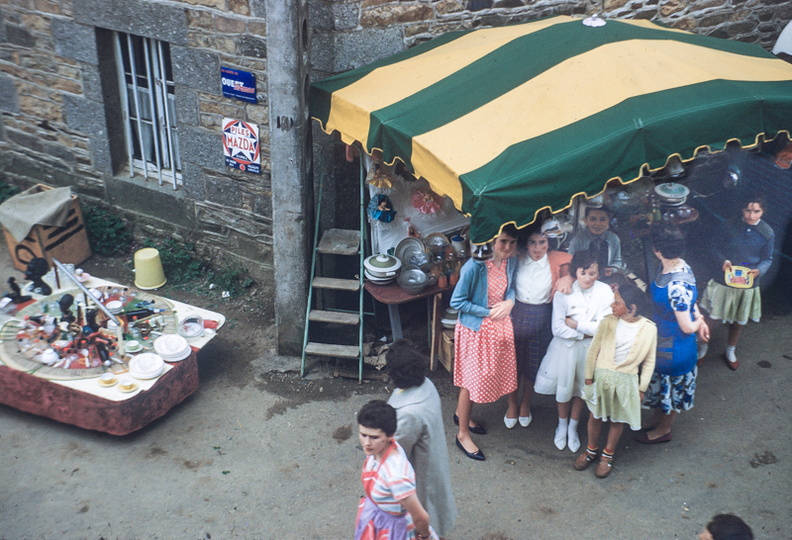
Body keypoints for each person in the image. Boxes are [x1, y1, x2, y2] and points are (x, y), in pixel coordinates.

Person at [449, 224, 519, 461]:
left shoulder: (511, 262)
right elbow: (457, 302)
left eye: (512, 242)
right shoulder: (474, 267)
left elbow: (511, 290)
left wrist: (510, 302)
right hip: (476, 329)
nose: (507, 247)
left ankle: (462, 414)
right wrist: (487, 312)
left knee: (484, 378)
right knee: (470, 382)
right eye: (503, 242)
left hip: (498, 328)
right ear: (491, 241)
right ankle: (462, 434)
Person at [534, 249, 614, 452]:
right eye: (583, 273)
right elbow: (558, 328)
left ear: (599, 273)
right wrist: (587, 331)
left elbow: (604, 327)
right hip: (566, 350)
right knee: (565, 387)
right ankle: (561, 425)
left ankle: (573, 426)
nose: (587, 278)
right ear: (575, 272)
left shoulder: (605, 291)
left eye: (593, 273)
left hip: (590, 351)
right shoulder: (564, 293)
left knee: (580, 388)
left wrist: (577, 326)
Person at [574, 284, 657, 478]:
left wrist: (642, 387)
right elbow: (593, 350)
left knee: (617, 419)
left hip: (626, 381)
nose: (612, 305)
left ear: (632, 307)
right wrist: (588, 377)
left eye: (617, 302)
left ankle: (607, 455)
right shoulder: (608, 322)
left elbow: (649, 360)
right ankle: (591, 449)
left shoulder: (649, 329)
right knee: (595, 415)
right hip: (602, 378)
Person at [636, 225, 709, 444]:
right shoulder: (680, 266)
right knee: (661, 382)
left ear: (657, 249)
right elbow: (691, 300)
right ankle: (658, 419)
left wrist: (699, 322)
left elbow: (687, 327)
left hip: (675, 344)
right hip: (662, 338)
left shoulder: (675, 285)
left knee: (671, 385)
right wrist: (699, 316)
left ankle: (664, 429)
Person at [386, 340, 457, 539]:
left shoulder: (408, 414)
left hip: (419, 484)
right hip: (434, 467)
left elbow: (393, 454)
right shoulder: (426, 385)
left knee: (424, 527)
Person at [699, 195, 774, 371]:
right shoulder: (728, 225)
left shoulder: (767, 232)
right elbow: (713, 246)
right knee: (712, 315)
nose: (751, 215)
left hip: (748, 282)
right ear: (742, 210)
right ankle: (702, 348)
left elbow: (767, 258)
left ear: (763, 212)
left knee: (739, 319)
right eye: (748, 210)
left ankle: (730, 350)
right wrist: (723, 260)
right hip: (723, 278)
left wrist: (760, 270)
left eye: (756, 211)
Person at [511, 223, 572, 428]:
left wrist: (568, 277)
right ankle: (511, 404)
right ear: (525, 245)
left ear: (549, 243)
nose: (538, 248)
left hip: (542, 315)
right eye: (532, 243)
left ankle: (525, 403)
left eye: (542, 242)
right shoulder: (516, 260)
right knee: (513, 363)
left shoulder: (554, 260)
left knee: (533, 364)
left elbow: (575, 265)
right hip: (516, 313)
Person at [355, 400, 438, 540]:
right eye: (363, 435)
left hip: (394, 531)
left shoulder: (396, 476)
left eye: (374, 437)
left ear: (390, 435)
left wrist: (425, 537)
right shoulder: (379, 450)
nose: (367, 443)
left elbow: (421, 517)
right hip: (377, 518)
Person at [568, 205, 624, 275]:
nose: (598, 224)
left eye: (603, 220)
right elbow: (569, 263)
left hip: (606, 279)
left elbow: (618, 261)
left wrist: (612, 269)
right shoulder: (577, 241)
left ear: (608, 221)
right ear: (585, 221)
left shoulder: (613, 239)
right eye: (593, 219)